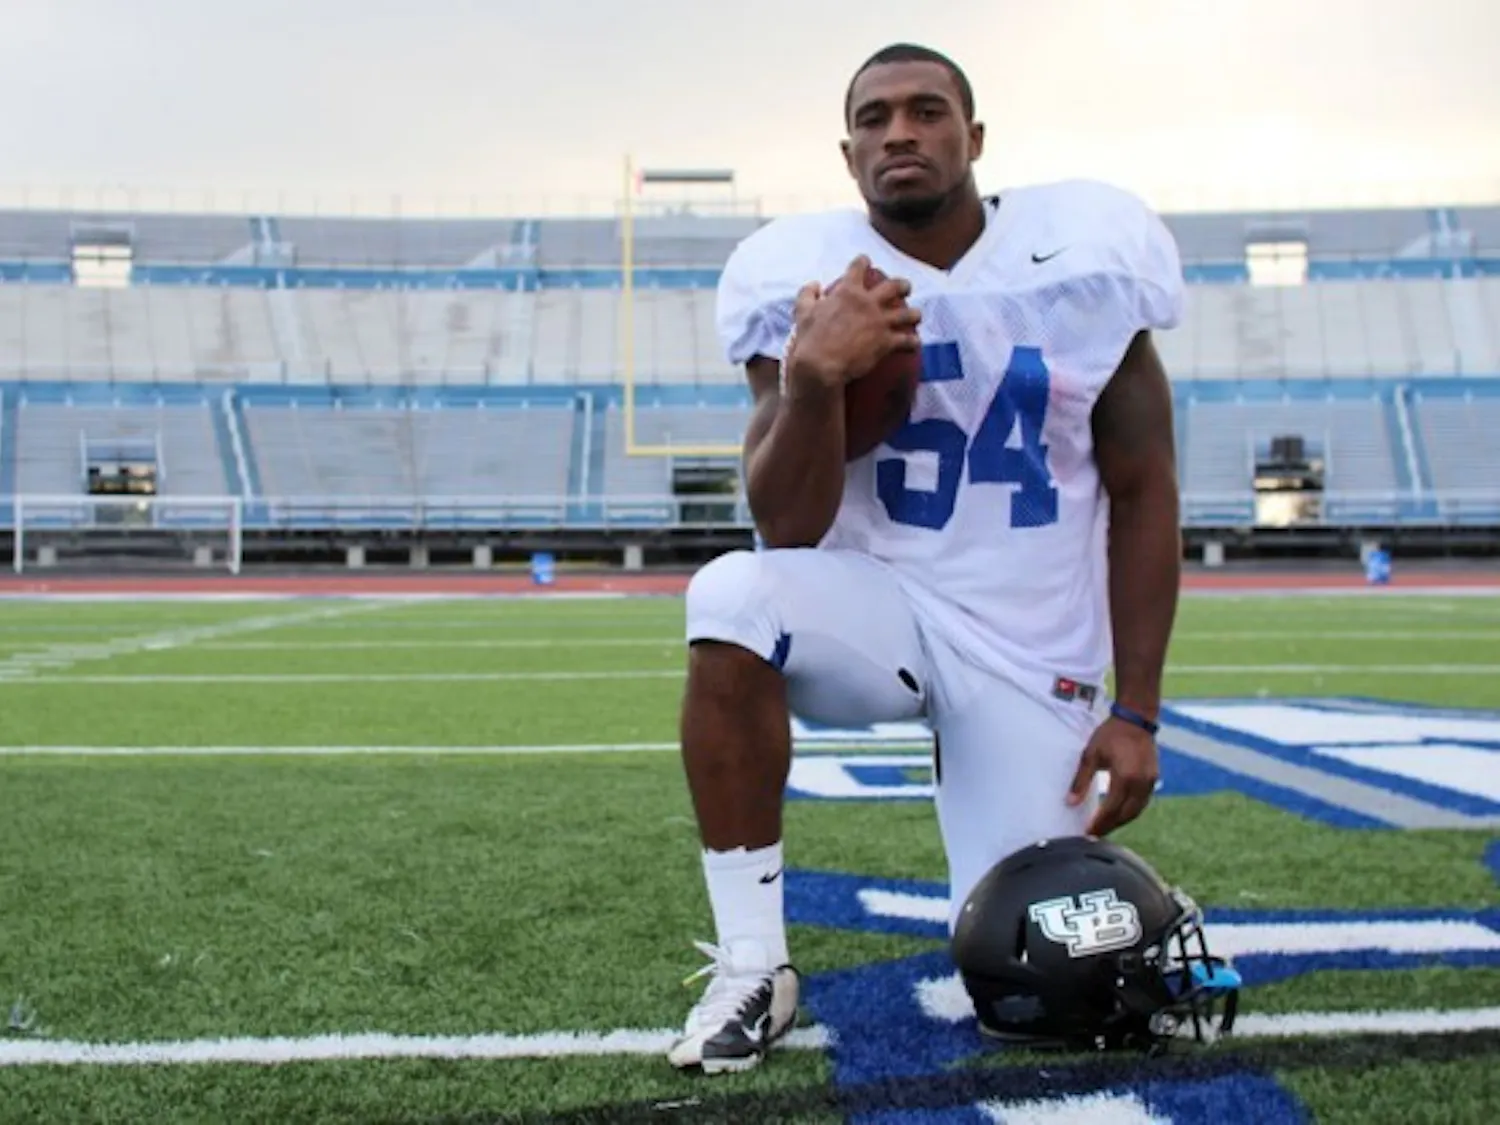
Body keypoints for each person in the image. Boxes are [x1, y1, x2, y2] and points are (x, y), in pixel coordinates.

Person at [667, 41, 1184, 1075]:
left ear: (974, 137)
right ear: (849, 153)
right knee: (731, 596)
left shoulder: (1084, 261)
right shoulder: (807, 282)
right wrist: (814, 381)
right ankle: (753, 964)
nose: (899, 132)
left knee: (1036, 964)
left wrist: (1137, 712)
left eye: (926, 111)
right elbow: (787, 528)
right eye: (873, 119)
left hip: (1033, 642)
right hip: (878, 603)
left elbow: (1144, 490)